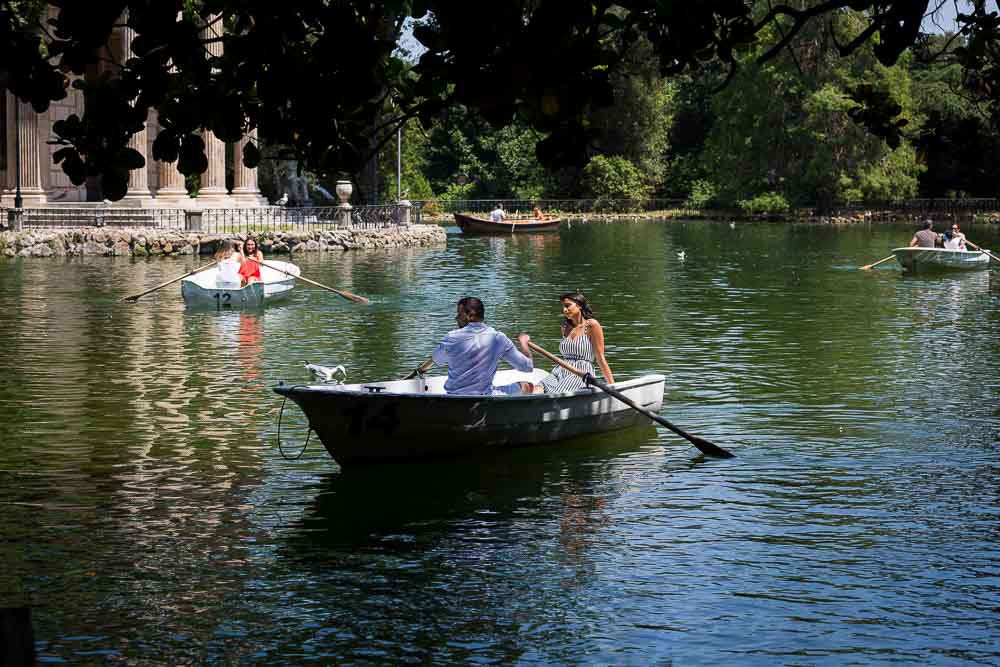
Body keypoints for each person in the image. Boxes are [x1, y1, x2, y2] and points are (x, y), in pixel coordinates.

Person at [431, 297, 533, 395]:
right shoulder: (498, 338)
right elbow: (527, 367)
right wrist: (523, 342)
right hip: (484, 396)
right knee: (527, 386)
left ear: (470, 315)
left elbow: (437, 359)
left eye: (459, 314)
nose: (456, 318)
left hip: (453, 396)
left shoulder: (451, 337)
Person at [527, 292, 615, 394]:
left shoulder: (592, 325)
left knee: (555, 394)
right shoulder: (565, 327)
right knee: (535, 390)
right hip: (559, 371)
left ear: (579, 305)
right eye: (563, 307)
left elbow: (600, 358)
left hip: (580, 373)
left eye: (567, 306)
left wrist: (612, 386)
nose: (564, 310)